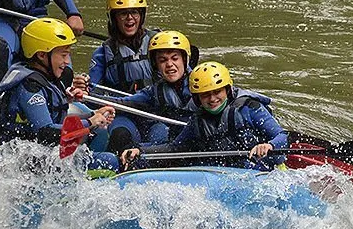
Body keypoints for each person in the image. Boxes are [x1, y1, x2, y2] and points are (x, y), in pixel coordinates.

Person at [0, 18, 118, 169]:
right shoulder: (29, 87)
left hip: (43, 159)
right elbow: (46, 133)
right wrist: (91, 122)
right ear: (42, 55)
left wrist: (93, 114)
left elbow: (56, 120)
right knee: (110, 161)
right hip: (24, 165)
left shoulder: (48, 80)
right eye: (63, 55)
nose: (67, 61)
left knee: (102, 152)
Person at [120, 61, 288, 171]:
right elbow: (176, 148)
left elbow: (281, 136)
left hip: (264, 172)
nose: (212, 99)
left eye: (217, 92)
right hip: (228, 174)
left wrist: (269, 146)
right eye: (205, 95)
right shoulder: (198, 121)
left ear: (227, 90)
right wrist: (141, 151)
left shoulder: (250, 108)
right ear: (197, 98)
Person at [103, 30, 197, 152]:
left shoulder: (202, 83)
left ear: (184, 60)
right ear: (155, 65)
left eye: (175, 58)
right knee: (130, 149)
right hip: (177, 144)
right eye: (162, 60)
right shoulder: (155, 91)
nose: (169, 64)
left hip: (201, 142)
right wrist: (85, 95)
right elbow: (122, 103)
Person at [89, 0, 157, 95]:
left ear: (141, 16)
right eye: (123, 13)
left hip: (157, 108)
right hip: (122, 108)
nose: (129, 17)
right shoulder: (102, 54)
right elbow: (93, 92)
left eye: (134, 12)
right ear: (114, 18)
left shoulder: (158, 42)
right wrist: (83, 87)